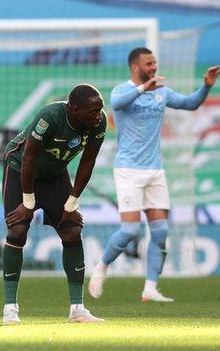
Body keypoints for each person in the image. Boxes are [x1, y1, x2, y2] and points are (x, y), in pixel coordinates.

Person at [89, 48, 220, 303]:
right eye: (149, 63)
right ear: (136, 67)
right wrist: (142, 89)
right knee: (129, 230)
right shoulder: (122, 91)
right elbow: (116, 104)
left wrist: (206, 86)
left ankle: (150, 287)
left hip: (155, 171)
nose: (154, 67)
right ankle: (101, 267)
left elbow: (190, 103)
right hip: (128, 170)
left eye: (155, 62)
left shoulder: (161, 92)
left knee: (160, 232)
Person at [2, 84, 107, 324]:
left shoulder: (97, 124)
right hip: (20, 169)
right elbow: (28, 157)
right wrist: (28, 203)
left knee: (72, 231)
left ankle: (78, 310)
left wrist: (71, 205)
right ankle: (10, 308)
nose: (98, 115)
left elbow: (87, 164)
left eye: (100, 109)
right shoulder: (49, 117)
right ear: (73, 108)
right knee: (17, 229)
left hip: (55, 175)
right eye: (92, 111)